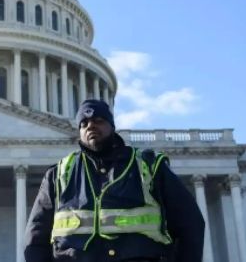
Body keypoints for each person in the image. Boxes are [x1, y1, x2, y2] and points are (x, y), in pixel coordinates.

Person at [24, 99, 206, 262]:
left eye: (98, 120)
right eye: (84, 123)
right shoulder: (60, 174)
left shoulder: (148, 167)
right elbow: (36, 236)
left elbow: (190, 223)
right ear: (79, 132)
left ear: (112, 126)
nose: (90, 126)